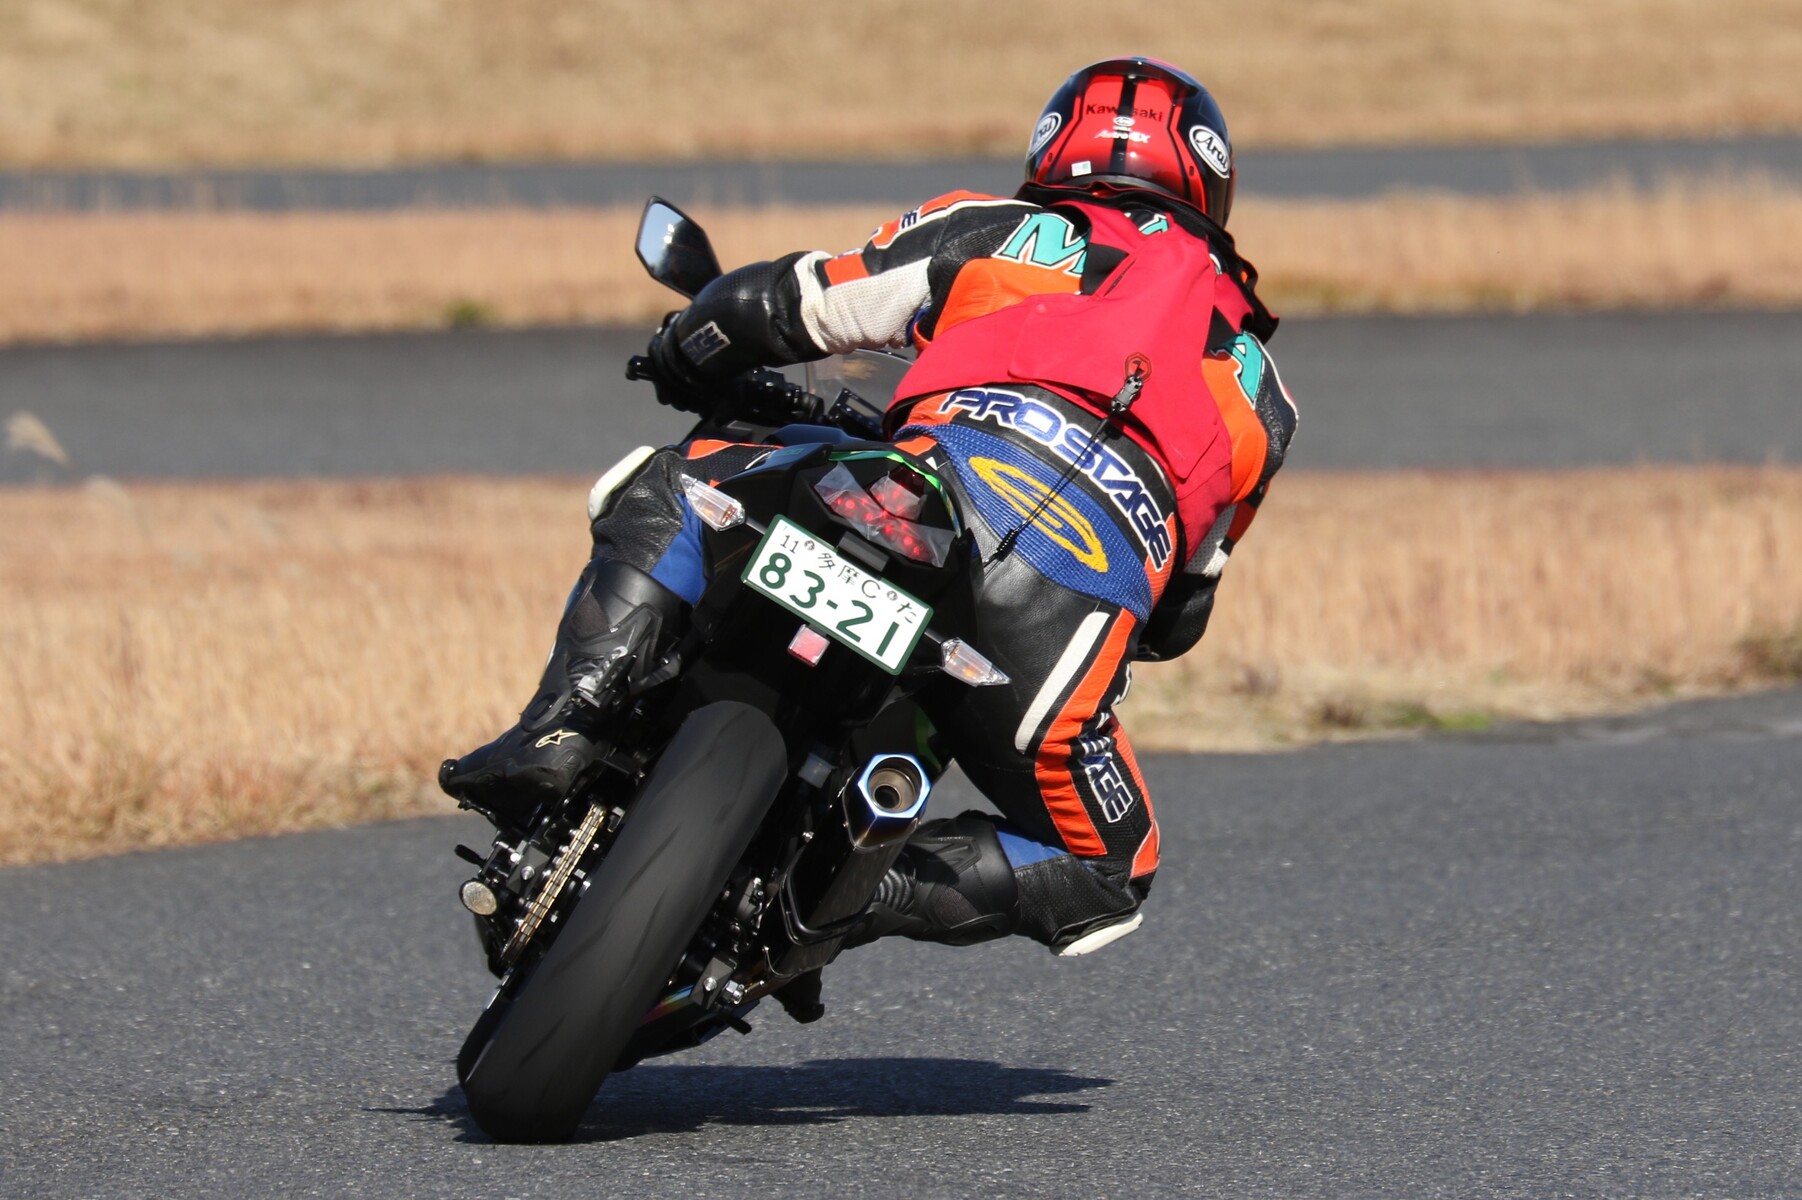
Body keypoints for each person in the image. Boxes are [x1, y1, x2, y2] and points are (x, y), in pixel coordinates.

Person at [441, 57, 1297, 977]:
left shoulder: (1003, 230)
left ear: (1052, 151)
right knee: (1111, 869)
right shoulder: (1263, 395)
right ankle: (848, 896)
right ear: (1212, 185)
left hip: (929, 484)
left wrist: (686, 349)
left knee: (675, 485)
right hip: (1054, 625)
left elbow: (790, 304)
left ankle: (565, 723)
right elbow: (1179, 617)